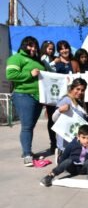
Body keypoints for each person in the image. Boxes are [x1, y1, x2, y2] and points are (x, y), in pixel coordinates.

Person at [6, 36, 45, 166]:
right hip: (23, 95)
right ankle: (27, 155)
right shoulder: (16, 58)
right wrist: (30, 74)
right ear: (24, 46)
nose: (33, 48)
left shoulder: (38, 61)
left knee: (30, 126)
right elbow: (10, 75)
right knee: (27, 126)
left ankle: (26, 150)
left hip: (38, 97)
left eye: (35, 46)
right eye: (30, 45)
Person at [52, 78, 88, 156]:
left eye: (82, 90)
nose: (80, 92)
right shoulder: (66, 100)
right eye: (77, 89)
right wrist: (59, 110)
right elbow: (54, 119)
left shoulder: (80, 101)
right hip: (65, 145)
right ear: (72, 89)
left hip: (76, 143)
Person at [40, 40, 58, 153]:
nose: (50, 50)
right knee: (52, 119)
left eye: (52, 48)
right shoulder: (43, 58)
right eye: (49, 48)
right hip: (50, 93)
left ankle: (60, 143)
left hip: (58, 91)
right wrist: (54, 63)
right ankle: (53, 143)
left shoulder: (54, 58)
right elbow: (48, 69)